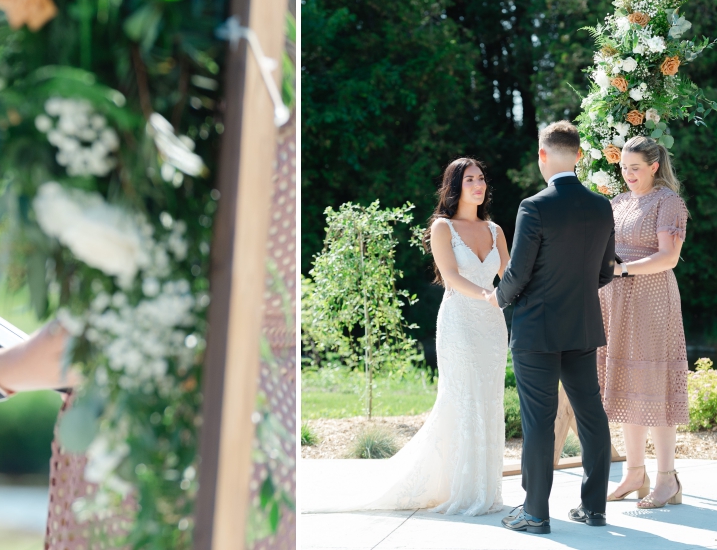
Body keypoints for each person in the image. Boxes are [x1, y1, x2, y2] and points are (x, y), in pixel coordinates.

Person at [296, 157, 510, 515]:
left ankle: (483, 489)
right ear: (455, 187)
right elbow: (452, 277)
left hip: (493, 326)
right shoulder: (444, 228)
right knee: (461, 400)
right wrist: (488, 296)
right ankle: (457, 487)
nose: (479, 185)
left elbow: (511, 273)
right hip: (460, 321)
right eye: (470, 179)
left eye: (482, 179)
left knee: (488, 400)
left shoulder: (496, 230)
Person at [487, 120, 618, 534]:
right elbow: (604, 272)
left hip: (536, 333)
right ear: (579, 156)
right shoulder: (602, 206)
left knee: (538, 422)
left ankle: (535, 513)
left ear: (542, 156)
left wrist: (498, 299)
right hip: (581, 327)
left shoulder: (534, 206)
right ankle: (594, 509)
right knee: (592, 415)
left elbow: (518, 274)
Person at [598, 136, 690, 509]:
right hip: (614, 299)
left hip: (652, 298)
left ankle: (667, 479)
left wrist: (622, 270)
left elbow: (668, 257)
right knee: (623, 383)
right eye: (623, 168)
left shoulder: (669, 202)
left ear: (653, 167)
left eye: (635, 168)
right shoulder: (617, 202)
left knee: (653, 385)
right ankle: (634, 474)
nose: (628, 174)